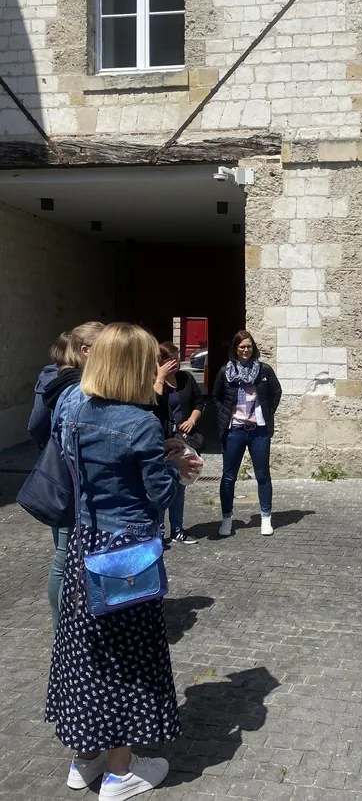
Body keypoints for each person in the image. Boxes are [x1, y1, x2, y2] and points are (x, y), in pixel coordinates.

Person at [46, 322, 196, 800]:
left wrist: (156, 453)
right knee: (127, 661)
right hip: (124, 552)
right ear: (133, 366)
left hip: (82, 544)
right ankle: (119, 772)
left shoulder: (71, 406)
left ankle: (84, 759)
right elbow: (159, 495)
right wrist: (181, 470)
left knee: (86, 652)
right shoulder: (138, 423)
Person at [40, 321, 105, 633]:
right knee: (66, 558)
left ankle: (68, 626)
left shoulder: (63, 385)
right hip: (74, 487)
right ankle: (65, 630)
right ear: (87, 350)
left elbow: (37, 428)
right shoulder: (78, 391)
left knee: (65, 557)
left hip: (68, 483)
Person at [213, 330, 282, 538]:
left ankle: (265, 518)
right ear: (235, 349)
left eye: (249, 347)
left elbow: (276, 392)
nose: (246, 350)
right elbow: (216, 397)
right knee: (228, 477)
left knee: (262, 475)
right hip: (234, 430)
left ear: (254, 349)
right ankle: (226, 519)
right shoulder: (226, 371)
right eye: (242, 347)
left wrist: (267, 413)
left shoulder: (264, 370)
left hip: (258, 430)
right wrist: (225, 417)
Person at [153, 341, 206, 544]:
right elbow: (153, 405)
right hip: (161, 440)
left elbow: (200, 401)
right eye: (169, 360)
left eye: (176, 359)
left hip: (181, 440)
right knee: (160, 485)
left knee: (180, 485)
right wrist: (159, 377)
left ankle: (177, 530)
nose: (174, 364)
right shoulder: (154, 382)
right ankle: (158, 532)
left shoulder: (185, 379)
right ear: (159, 362)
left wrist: (191, 420)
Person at [28, 330, 70, 449]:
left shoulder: (48, 376)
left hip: (55, 447)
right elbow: (37, 423)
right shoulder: (53, 378)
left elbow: (35, 425)